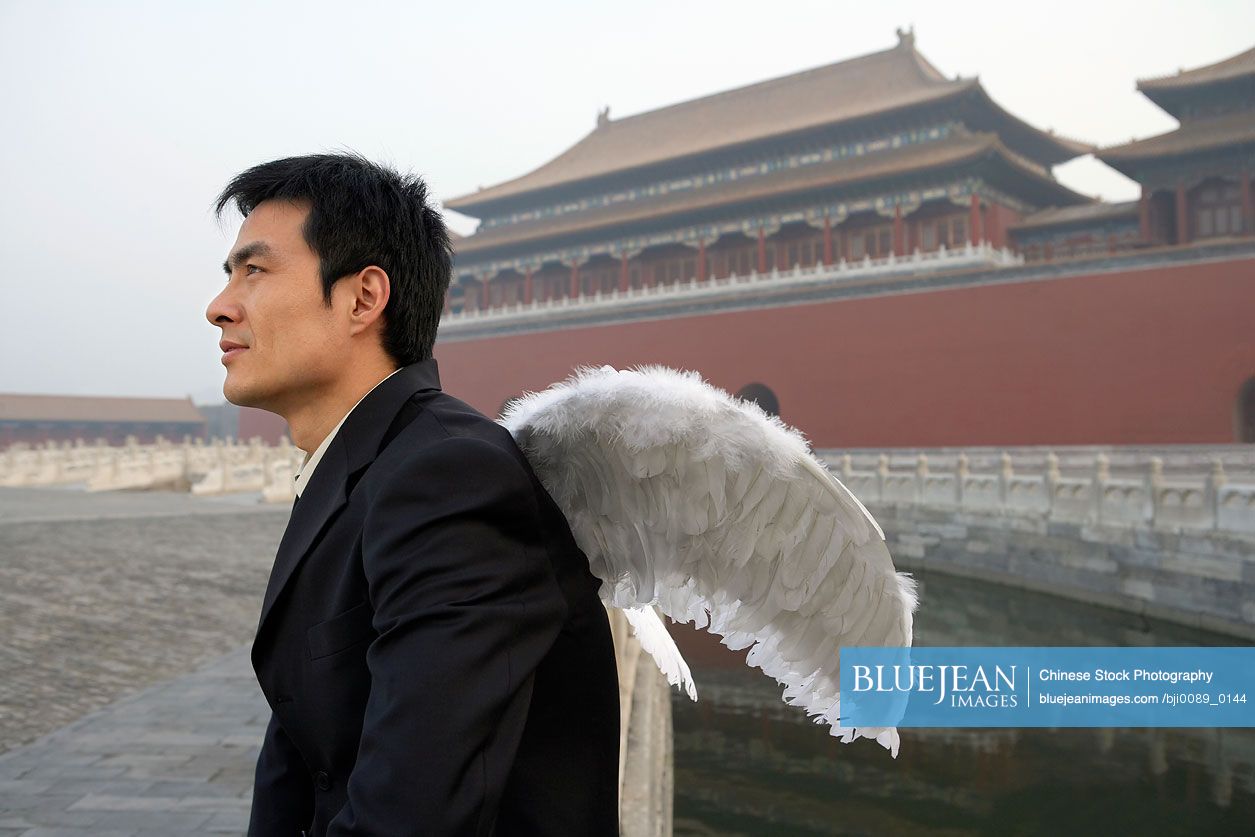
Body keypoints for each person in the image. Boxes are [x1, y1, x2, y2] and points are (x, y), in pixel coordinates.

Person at [206, 152, 621, 836]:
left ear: (364, 299)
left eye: (253, 269)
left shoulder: (450, 477)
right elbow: (301, 760)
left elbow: (410, 814)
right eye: (229, 274)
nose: (220, 306)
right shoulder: (362, 467)